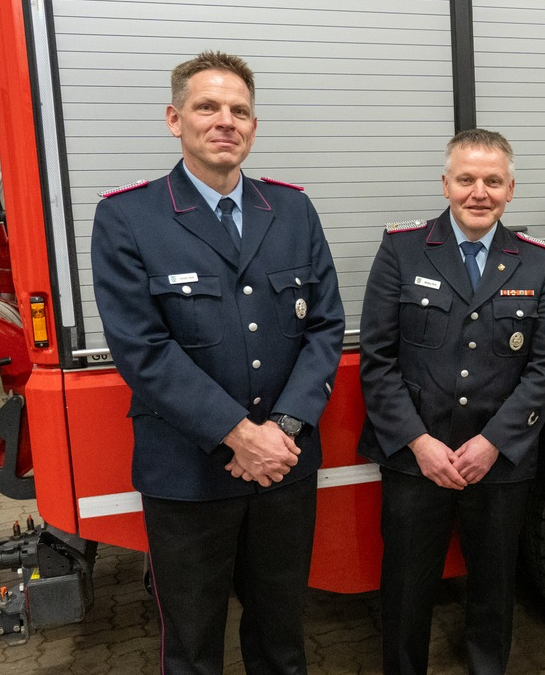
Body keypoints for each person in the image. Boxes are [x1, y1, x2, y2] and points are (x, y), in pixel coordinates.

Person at [91, 51, 345, 675]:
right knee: (193, 645)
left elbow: (325, 327)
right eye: (208, 107)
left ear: (254, 126)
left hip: (283, 469)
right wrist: (239, 435)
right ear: (175, 119)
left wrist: (280, 433)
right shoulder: (128, 216)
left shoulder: (291, 210)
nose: (224, 121)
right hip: (188, 473)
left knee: (282, 636)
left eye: (240, 110)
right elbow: (142, 348)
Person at [357, 129, 545, 675]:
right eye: (467, 179)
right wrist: (418, 443)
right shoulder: (402, 250)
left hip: (496, 464)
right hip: (414, 459)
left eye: (492, 181)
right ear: (445, 183)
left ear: (510, 190)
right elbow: (377, 360)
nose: (479, 192)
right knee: (406, 589)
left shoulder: (538, 263)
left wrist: (494, 443)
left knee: (494, 590)